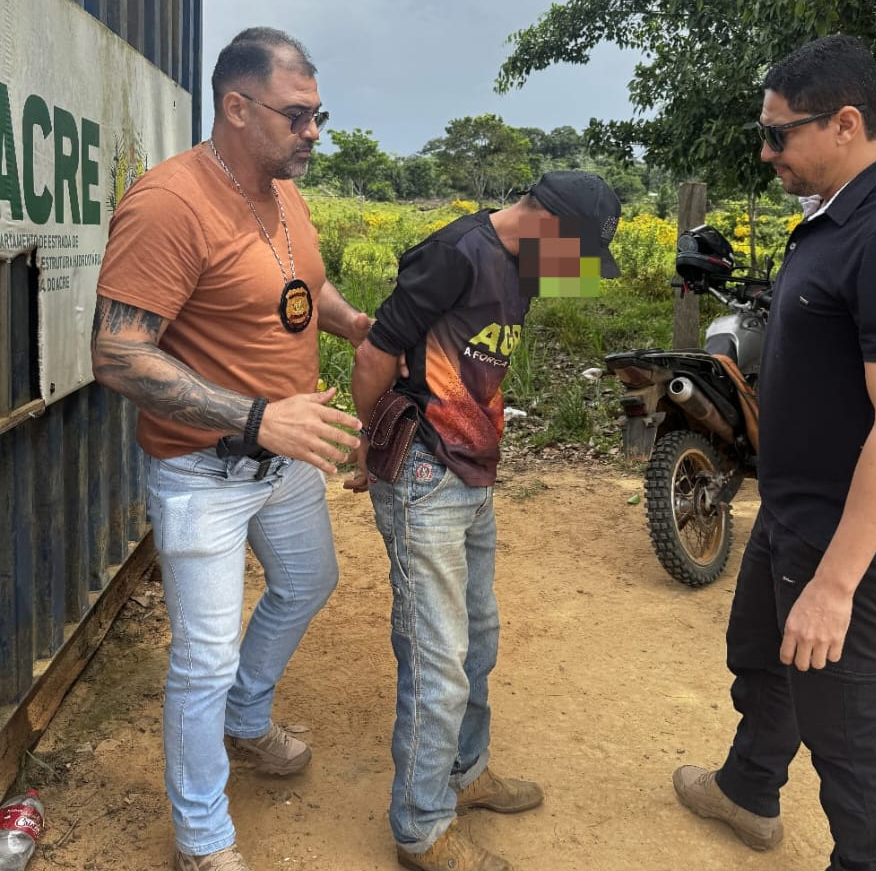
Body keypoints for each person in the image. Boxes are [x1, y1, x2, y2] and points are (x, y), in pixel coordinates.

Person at [672, 35, 876, 871]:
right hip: (797, 507)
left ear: (843, 123)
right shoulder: (834, 210)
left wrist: (835, 584)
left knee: (845, 714)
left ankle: (872, 859)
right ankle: (746, 787)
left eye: (778, 134)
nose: (766, 152)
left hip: (847, 533)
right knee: (762, 652)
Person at [91, 27, 375, 871]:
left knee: (307, 580)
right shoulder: (169, 203)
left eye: (319, 114)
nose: (313, 132)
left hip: (283, 453)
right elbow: (115, 353)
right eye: (298, 115)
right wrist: (255, 419)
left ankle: (246, 721)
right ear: (236, 106)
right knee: (201, 658)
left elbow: (306, 284)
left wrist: (357, 325)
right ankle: (203, 837)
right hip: (203, 469)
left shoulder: (285, 190)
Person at [346, 172, 622, 871]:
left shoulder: (525, 266)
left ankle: (466, 773)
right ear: (546, 223)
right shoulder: (453, 253)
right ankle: (421, 826)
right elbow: (377, 350)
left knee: (479, 640)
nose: (579, 274)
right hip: (423, 475)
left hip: (474, 473)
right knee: (435, 658)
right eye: (580, 254)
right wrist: (365, 438)